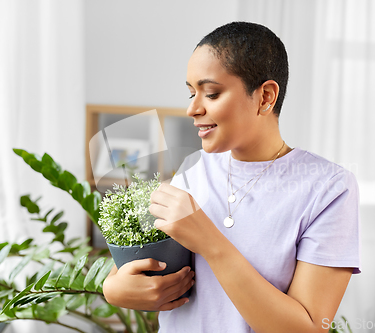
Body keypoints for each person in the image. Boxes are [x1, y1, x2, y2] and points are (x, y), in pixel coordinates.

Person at [103, 21, 361, 333]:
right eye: (191, 94)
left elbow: (307, 328)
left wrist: (210, 241)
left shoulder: (329, 188)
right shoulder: (192, 169)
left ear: (265, 97)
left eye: (211, 93)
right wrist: (114, 289)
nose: (193, 109)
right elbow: (145, 270)